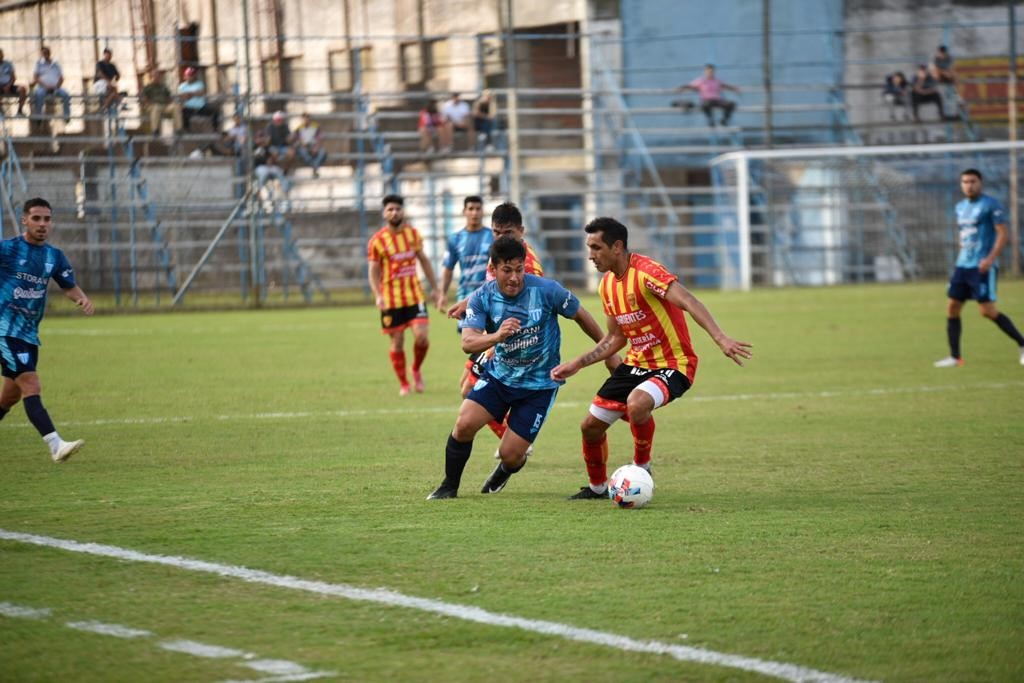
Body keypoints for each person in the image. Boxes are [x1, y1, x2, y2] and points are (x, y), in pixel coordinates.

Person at [550, 217, 752, 500]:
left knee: (637, 403)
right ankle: (597, 488)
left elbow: (689, 301)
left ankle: (642, 469)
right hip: (636, 365)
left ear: (617, 246)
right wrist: (578, 363)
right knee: (590, 427)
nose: (590, 255)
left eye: (596, 247)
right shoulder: (608, 285)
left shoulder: (647, 272)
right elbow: (615, 338)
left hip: (674, 364)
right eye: (589, 247)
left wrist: (721, 338)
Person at [426, 236, 613, 500]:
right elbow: (468, 343)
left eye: (519, 269)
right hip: (499, 378)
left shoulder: (547, 290)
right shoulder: (481, 298)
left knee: (511, 455)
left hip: (539, 387)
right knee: (464, 424)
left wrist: (606, 350)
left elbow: (581, 315)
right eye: (507, 270)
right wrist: (496, 337)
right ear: (493, 269)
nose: (514, 277)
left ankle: (506, 468)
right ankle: (448, 486)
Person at [0, 197, 94, 462]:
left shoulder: (54, 256)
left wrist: (81, 298)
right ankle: (56, 445)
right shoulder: (7, 250)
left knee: (9, 397)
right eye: (36, 218)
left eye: (47, 219)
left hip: (29, 334)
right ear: (24, 220)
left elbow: (67, 285)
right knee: (31, 384)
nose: (42, 224)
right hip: (4, 330)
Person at [445, 202, 546, 447]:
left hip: (514, 343)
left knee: (469, 390)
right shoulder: (498, 254)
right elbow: (491, 288)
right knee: (465, 387)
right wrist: (467, 302)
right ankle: (515, 438)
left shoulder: (528, 266)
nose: (500, 238)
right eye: (496, 232)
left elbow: (534, 311)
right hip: (495, 334)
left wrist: (499, 340)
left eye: (507, 233)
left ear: (521, 232)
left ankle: (516, 440)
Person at [934, 169, 1024, 368]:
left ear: (980, 183)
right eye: (965, 182)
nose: (969, 185)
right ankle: (955, 357)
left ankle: (1022, 343)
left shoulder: (991, 205)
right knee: (952, 307)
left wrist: (990, 258)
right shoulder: (960, 207)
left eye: (972, 181)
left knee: (987, 311)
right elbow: (964, 235)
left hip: (982, 266)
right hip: (962, 265)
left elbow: (1002, 234)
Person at [367, 194, 442, 396]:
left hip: (414, 295)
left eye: (397, 209)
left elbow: (424, 261)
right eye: (390, 209)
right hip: (391, 299)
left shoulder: (413, 235)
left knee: (422, 337)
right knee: (397, 342)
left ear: (403, 211)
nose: (394, 212)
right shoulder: (377, 241)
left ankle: (416, 369)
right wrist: (378, 294)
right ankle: (404, 384)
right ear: (384, 213)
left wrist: (435, 288)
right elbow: (373, 270)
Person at [675, 64, 739, 127]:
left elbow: (725, 85)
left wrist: (734, 89)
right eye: (708, 71)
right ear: (705, 72)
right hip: (707, 100)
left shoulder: (717, 81)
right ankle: (710, 120)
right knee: (705, 105)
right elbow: (690, 86)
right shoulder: (701, 81)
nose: (710, 73)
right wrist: (681, 88)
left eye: (712, 71)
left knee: (731, 104)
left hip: (717, 101)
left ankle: (724, 120)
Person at [31, 46, 72, 124]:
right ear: (41, 54)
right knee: (39, 95)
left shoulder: (56, 64)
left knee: (66, 95)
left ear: (50, 53)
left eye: (47, 52)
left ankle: (67, 116)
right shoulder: (38, 64)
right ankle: (39, 117)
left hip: (56, 87)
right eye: (44, 53)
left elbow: (61, 78)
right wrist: (45, 86)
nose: (46, 54)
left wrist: (56, 86)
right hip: (43, 87)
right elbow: (36, 77)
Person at [177, 66, 221, 132]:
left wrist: (189, 94)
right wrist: (194, 94)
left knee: (214, 110)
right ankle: (186, 129)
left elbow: (201, 92)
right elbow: (182, 96)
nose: (190, 77)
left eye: (192, 75)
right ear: (185, 76)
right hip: (188, 108)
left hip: (200, 107)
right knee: (181, 112)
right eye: (189, 75)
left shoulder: (199, 83)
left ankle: (215, 128)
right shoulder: (182, 86)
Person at [139, 68, 180, 135]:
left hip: (164, 106)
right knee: (156, 107)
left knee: (176, 107)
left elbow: (169, 97)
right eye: (155, 76)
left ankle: (179, 129)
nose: (157, 77)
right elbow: (143, 98)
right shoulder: (148, 87)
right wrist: (147, 103)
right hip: (153, 106)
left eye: (158, 76)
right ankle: (155, 130)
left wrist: (171, 102)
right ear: (152, 77)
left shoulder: (163, 86)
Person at [292, 112, 327, 177]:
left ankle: (314, 167)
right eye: (304, 119)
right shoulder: (298, 128)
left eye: (307, 118)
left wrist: (316, 147)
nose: (305, 120)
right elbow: (295, 139)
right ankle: (315, 167)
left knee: (323, 152)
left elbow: (321, 137)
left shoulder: (316, 126)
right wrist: (301, 143)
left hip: (314, 145)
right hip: (303, 147)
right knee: (304, 153)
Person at [0, 48, 28, 116]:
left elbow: (13, 77)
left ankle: (20, 111)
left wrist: (8, 86)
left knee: (22, 89)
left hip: (9, 85)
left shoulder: (8, 64)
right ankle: (1, 111)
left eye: (0, 54)